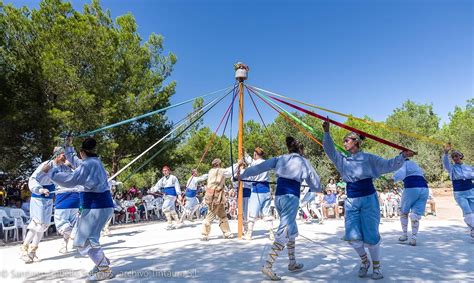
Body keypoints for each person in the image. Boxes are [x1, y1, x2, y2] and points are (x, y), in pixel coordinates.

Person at [322, 120, 414, 280]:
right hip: (351, 200)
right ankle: (365, 261)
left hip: (369, 199)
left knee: (371, 235)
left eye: (347, 140)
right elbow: (329, 150)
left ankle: (376, 267)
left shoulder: (369, 158)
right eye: (343, 140)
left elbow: (388, 165)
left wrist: (402, 156)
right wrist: (327, 133)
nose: (344, 142)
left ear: (356, 141)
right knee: (352, 236)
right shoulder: (342, 160)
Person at [240, 136, 320, 281]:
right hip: (291, 197)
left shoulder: (280, 158)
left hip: (278, 197)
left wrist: (243, 174)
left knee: (292, 228)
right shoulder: (303, 161)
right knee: (285, 231)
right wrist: (315, 188)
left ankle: (292, 262)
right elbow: (315, 181)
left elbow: (258, 167)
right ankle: (268, 265)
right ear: (300, 150)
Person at [44, 137, 114, 281]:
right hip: (101, 206)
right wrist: (68, 146)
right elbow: (76, 162)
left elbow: (71, 180)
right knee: (88, 239)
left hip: (97, 207)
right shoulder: (94, 162)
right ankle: (102, 263)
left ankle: (104, 269)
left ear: (82, 152)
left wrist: (51, 173)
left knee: (85, 240)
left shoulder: (87, 165)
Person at [21, 146, 68, 263]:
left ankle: (33, 251)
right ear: (57, 155)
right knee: (37, 223)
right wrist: (40, 189)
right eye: (63, 155)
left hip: (49, 198)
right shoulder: (47, 165)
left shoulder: (61, 167)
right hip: (39, 197)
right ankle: (23, 249)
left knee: (43, 226)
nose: (65, 157)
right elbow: (33, 179)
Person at [393, 159, 429, 246]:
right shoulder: (416, 165)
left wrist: (393, 179)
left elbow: (400, 174)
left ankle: (405, 235)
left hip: (412, 188)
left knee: (403, 212)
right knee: (415, 215)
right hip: (424, 189)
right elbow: (425, 178)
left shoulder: (403, 163)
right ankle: (414, 237)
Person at [243, 147, 275, 241]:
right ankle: (271, 233)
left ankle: (249, 234)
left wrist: (244, 153)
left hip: (256, 190)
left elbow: (249, 161)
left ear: (255, 155)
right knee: (267, 213)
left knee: (252, 213)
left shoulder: (254, 163)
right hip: (266, 190)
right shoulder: (267, 163)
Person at [442, 144, 473, 238]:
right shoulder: (451, 168)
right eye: (453, 157)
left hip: (471, 191)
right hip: (459, 193)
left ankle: (472, 230)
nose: (455, 158)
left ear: (461, 156)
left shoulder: (469, 167)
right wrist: (446, 152)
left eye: (456, 156)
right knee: (468, 212)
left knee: (473, 212)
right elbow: (445, 162)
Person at [201, 158, 236, 241]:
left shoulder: (210, 171)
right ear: (219, 164)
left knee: (222, 215)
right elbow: (230, 172)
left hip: (213, 195)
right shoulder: (220, 171)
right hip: (215, 195)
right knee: (211, 214)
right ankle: (204, 234)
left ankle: (227, 232)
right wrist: (238, 164)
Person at [53, 159, 81, 254]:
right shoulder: (76, 173)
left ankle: (74, 233)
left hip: (63, 197)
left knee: (62, 223)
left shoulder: (58, 170)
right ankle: (64, 245)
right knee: (71, 222)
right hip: (75, 199)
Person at [150, 166, 182, 230]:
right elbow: (157, 186)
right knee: (172, 209)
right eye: (163, 171)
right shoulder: (162, 179)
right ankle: (178, 222)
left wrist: (179, 194)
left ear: (169, 171)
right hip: (166, 196)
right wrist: (152, 189)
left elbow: (177, 186)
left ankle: (170, 223)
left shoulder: (173, 177)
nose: (164, 172)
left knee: (165, 208)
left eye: (166, 170)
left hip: (172, 195)